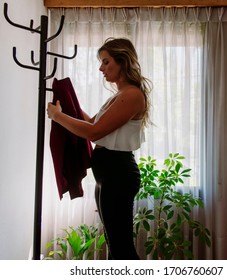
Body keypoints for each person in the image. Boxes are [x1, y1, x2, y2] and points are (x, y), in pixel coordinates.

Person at [47, 37, 152, 260]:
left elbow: (94, 133)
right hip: (108, 175)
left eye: (106, 62)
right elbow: (92, 123)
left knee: (121, 247)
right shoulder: (119, 96)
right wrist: (69, 104)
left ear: (122, 61)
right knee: (116, 246)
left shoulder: (132, 95)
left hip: (118, 174)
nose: (100, 68)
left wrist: (58, 116)